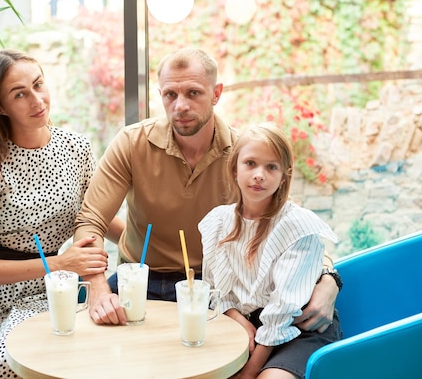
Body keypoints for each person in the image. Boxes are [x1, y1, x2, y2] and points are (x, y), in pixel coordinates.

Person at [73, 47, 341, 329]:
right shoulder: (131, 143)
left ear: (216, 93)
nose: (180, 106)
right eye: (170, 95)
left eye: (193, 93)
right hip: (138, 279)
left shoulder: (244, 156)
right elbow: (91, 220)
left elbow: (290, 228)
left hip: (212, 288)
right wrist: (99, 288)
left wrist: (329, 278)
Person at [0, 49, 120, 378]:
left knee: (19, 363)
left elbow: (95, 216)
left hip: (43, 292)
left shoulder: (76, 149)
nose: (37, 100)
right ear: (0, 107)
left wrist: (158, 244)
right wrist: (60, 264)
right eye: (20, 94)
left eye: (38, 85)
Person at [199, 123, 343, 379]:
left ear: (284, 175)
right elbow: (216, 289)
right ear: (234, 169)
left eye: (271, 167)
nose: (259, 174)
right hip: (249, 324)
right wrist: (237, 318)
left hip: (299, 327)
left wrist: (250, 372)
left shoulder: (297, 225)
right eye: (250, 163)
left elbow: (282, 311)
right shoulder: (217, 222)